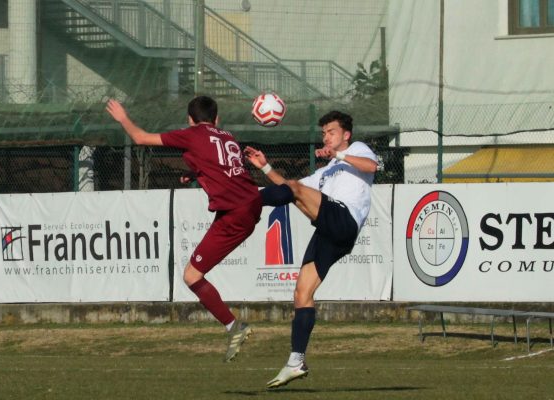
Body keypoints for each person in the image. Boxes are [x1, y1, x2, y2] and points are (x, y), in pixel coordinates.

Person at [106, 96, 262, 362]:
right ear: (217, 118)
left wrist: (123, 118)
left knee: (191, 276)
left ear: (190, 120)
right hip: (249, 203)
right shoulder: (227, 136)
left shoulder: (191, 134)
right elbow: (223, 166)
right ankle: (233, 326)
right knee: (194, 273)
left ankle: (234, 327)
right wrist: (195, 174)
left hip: (235, 213)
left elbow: (141, 138)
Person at [244, 110, 378, 388]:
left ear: (346, 135)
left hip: (344, 218)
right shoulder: (325, 172)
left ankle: (243, 204)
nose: (326, 136)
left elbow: (371, 167)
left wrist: (337, 155)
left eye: (331, 132)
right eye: (324, 133)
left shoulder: (356, 149)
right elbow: (288, 189)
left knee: (293, 191)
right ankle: (296, 361)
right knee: (302, 292)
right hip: (330, 231)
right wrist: (265, 167)